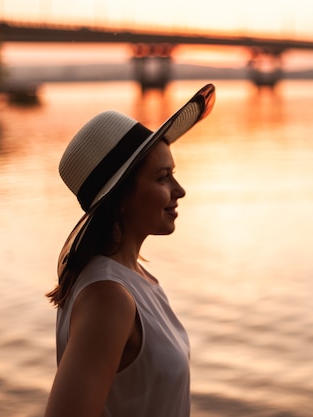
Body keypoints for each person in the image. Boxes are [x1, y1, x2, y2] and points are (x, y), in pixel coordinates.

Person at [44, 84, 215, 417]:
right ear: (120, 199)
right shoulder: (109, 297)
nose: (180, 190)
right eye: (163, 177)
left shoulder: (132, 280)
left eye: (173, 175)